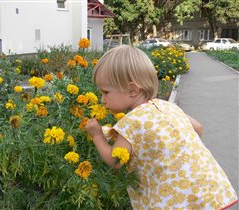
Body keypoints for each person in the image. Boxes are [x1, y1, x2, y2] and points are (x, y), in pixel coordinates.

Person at [85, 45, 238, 209]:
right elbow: (198, 128)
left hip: (177, 201)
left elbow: (115, 160)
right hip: (209, 188)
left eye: (105, 92)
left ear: (132, 90)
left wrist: (97, 135)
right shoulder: (168, 106)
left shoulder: (132, 122)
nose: (102, 99)